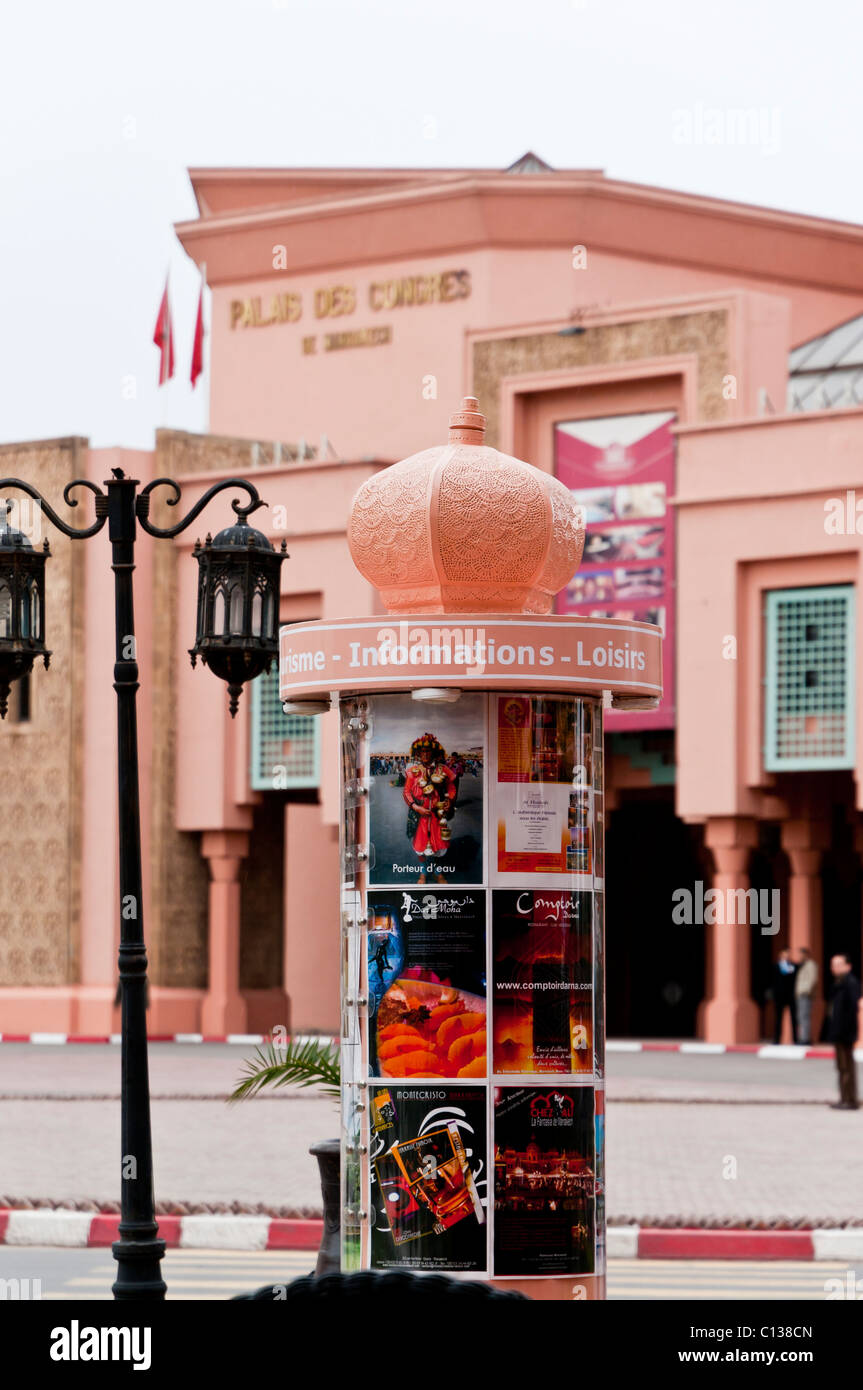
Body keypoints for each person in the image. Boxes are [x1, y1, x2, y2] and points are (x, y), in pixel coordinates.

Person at [403, 733, 457, 885]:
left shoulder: (443, 770)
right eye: (423, 752)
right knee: (421, 846)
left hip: (437, 815)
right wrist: (415, 807)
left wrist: (449, 800)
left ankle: (438, 873)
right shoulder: (413, 771)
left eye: (428, 751)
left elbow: (452, 788)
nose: (425, 754)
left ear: (434, 753)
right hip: (419, 815)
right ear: (418, 754)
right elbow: (406, 792)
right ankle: (423, 873)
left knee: (439, 845)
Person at [826, 954, 861, 1110]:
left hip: (845, 1033)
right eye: (833, 965)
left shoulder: (851, 983)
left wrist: (845, 1031)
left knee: (846, 1067)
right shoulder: (839, 984)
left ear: (848, 966)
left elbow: (852, 1009)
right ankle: (844, 1098)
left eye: (839, 964)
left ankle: (849, 1100)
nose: (835, 968)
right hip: (839, 1032)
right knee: (841, 1067)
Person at [771, 947, 798, 1044]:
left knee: (794, 1019)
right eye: (784, 954)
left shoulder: (794, 966)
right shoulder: (776, 966)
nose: (786, 956)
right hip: (779, 996)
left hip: (791, 996)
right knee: (778, 1019)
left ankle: (795, 1039)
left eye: (788, 954)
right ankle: (777, 1039)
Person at [794, 946, 819, 1046]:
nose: (800, 956)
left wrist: (806, 990)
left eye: (802, 954)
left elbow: (813, 979)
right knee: (801, 1016)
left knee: (804, 1016)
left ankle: (805, 1038)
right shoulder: (802, 965)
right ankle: (802, 1037)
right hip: (800, 994)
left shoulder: (810, 965)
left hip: (805, 994)